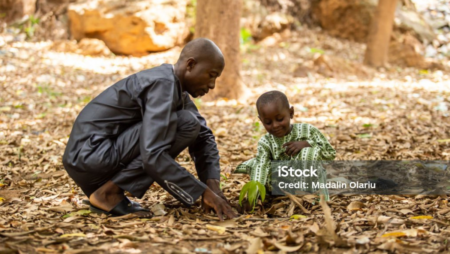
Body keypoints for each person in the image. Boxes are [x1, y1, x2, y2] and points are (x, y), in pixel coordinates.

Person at [62, 38, 237, 220]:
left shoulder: (174, 87)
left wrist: (213, 185)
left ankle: (107, 191)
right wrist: (201, 193)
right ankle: (108, 194)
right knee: (185, 123)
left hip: (89, 159)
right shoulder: (163, 84)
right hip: (90, 155)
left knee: (189, 123)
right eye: (211, 75)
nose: (212, 85)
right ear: (190, 65)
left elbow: (204, 136)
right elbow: (152, 155)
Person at [235, 90, 336, 205]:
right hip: (282, 185)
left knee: (308, 153)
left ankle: (312, 197)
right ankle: (271, 198)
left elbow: (330, 154)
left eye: (280, 119)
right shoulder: (266, 142)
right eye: (268, 122)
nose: (275, 125)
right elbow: (261, 168)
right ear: (261, 120)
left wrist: (307, 143)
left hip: (310, 180)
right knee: (256, 164)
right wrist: (253, 198)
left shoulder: (308, 131)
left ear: (291, 112)